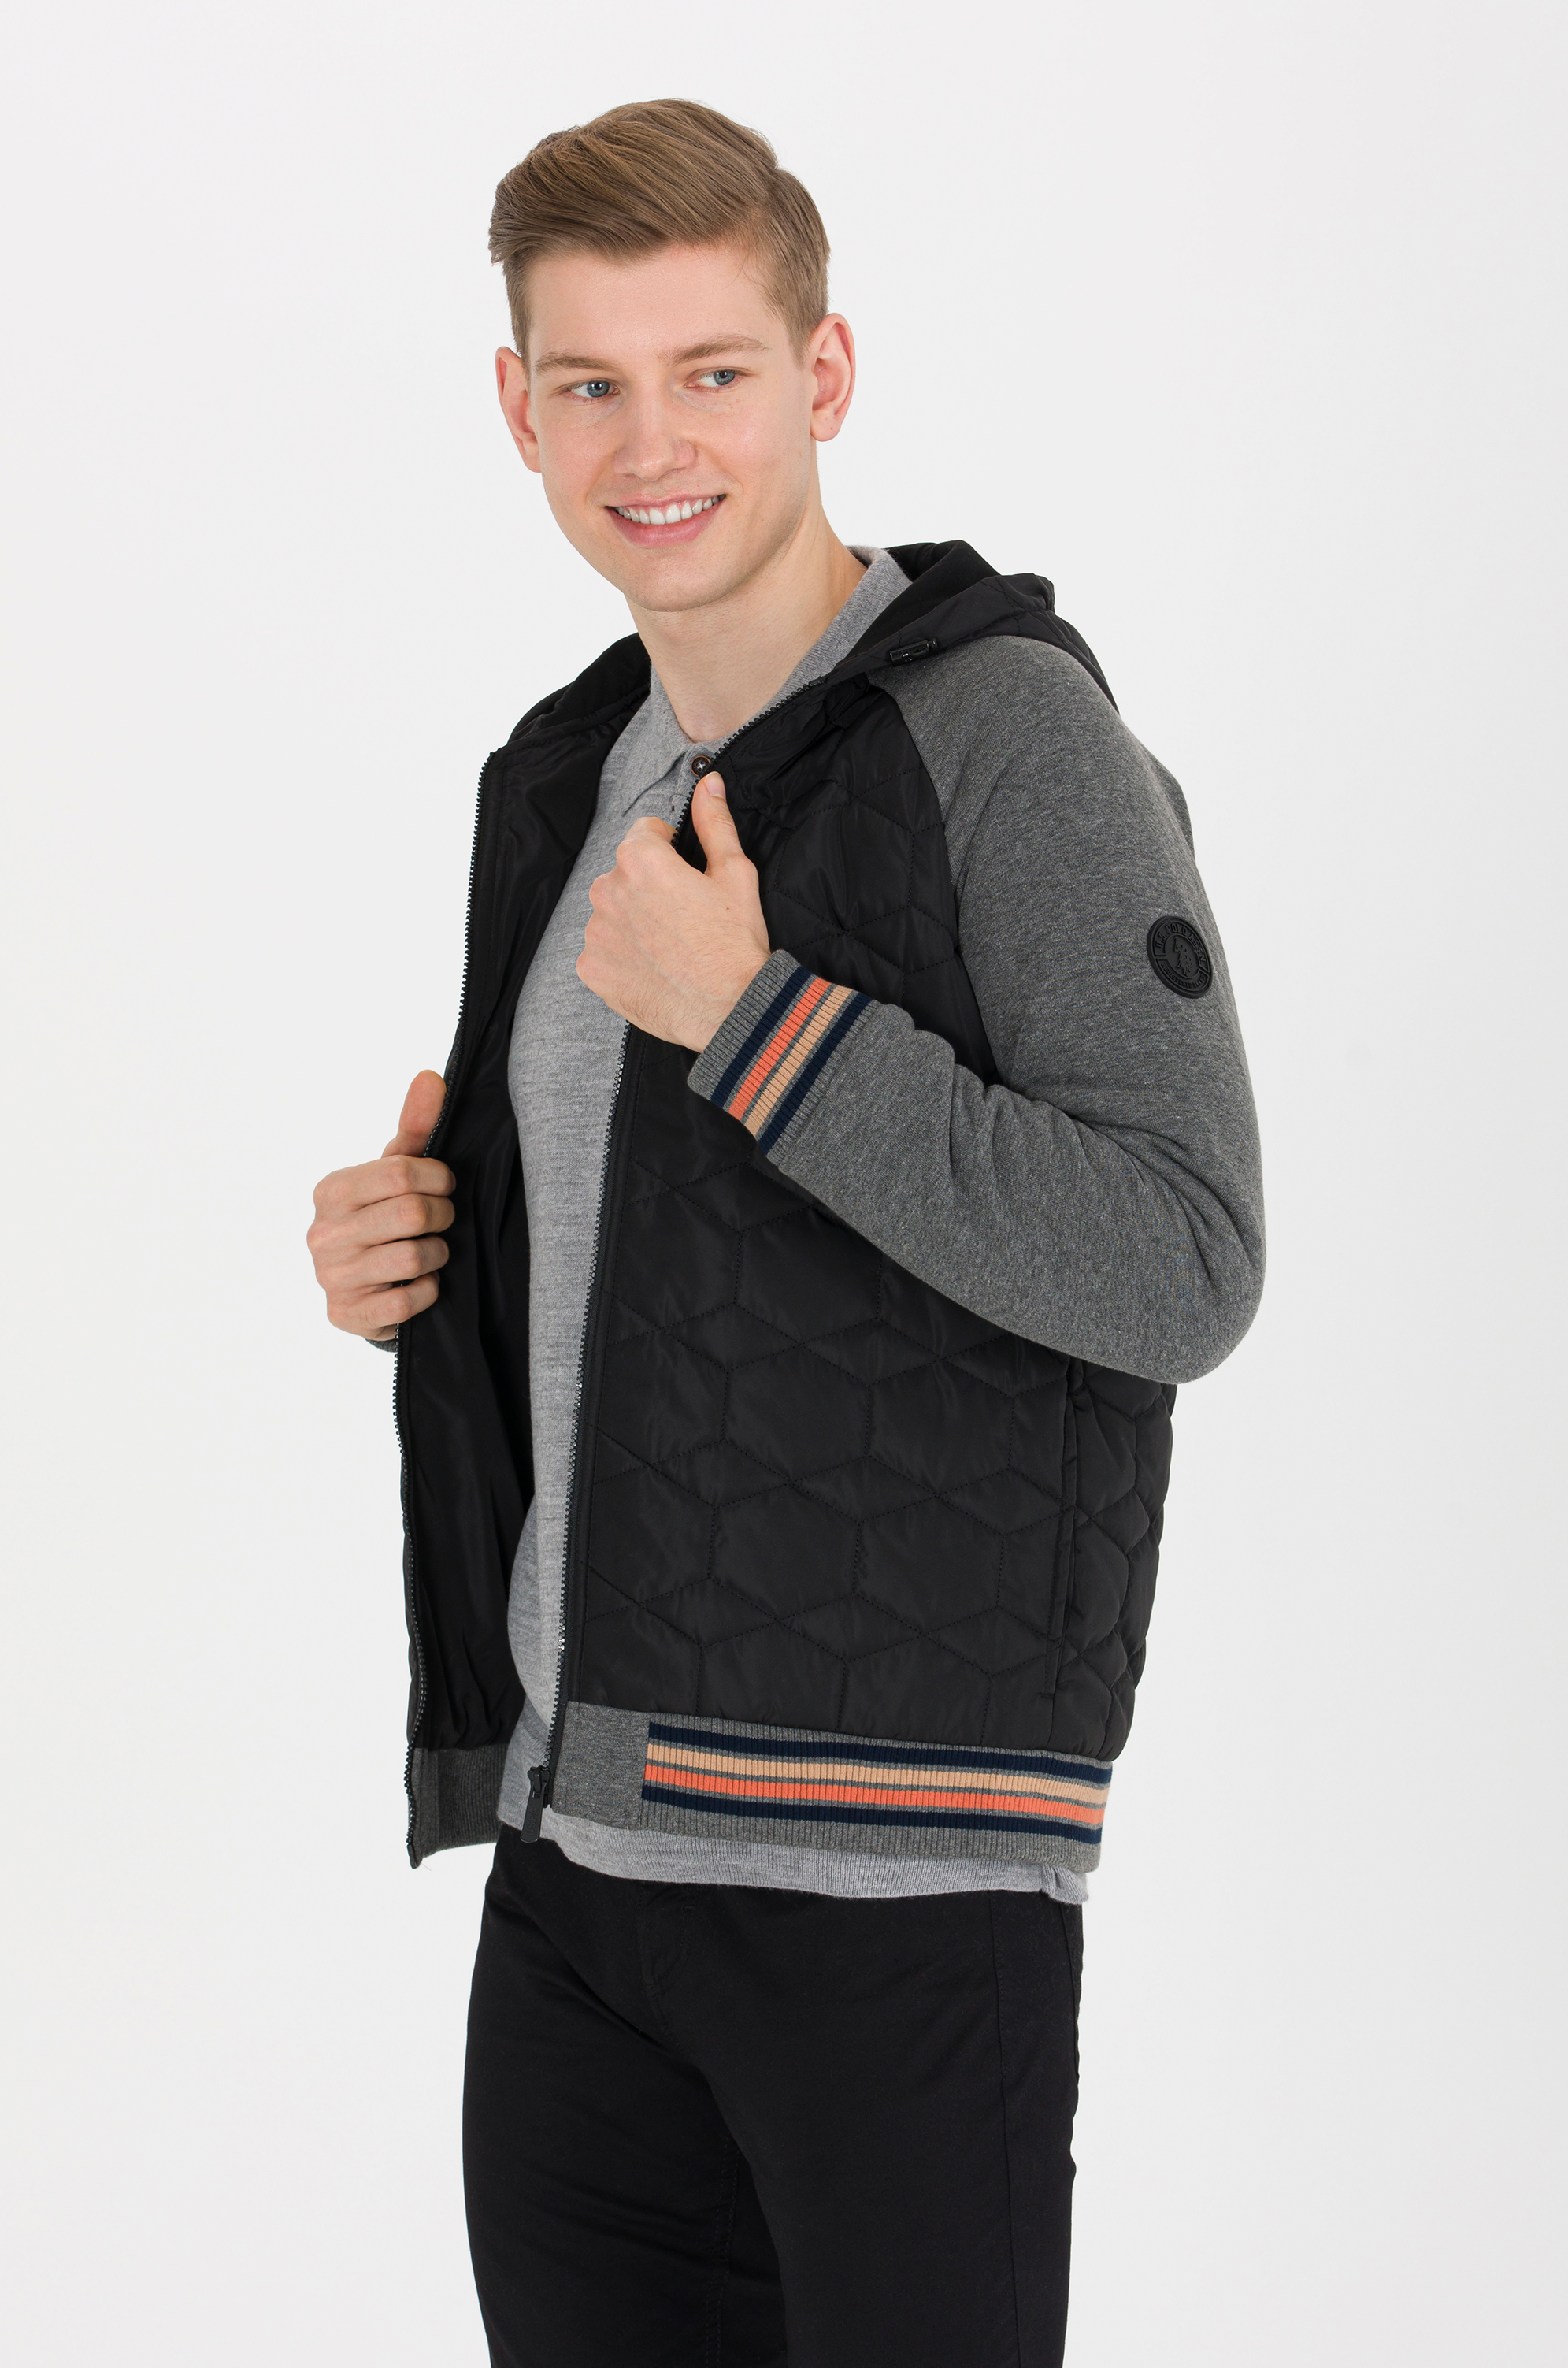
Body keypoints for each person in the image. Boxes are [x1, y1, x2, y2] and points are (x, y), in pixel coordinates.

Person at [306, 98, 1264, 2368]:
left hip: (891, 1883)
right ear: (517, 407)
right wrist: (420, 1258)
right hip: (574, 1875)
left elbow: (1184, 1260)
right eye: (591, 382)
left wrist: (755, 1022)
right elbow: (665, 1279)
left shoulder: (1008, 741)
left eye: (712, 371)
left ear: (824, 373)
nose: (652, 444)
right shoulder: (568, 778)